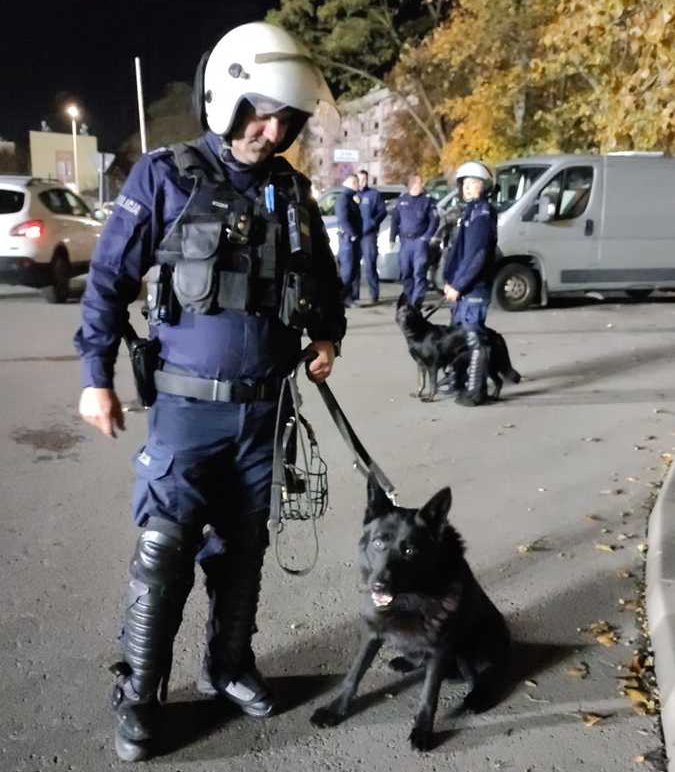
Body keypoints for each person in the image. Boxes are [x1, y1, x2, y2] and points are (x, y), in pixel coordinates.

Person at [73, 21, 346, 762]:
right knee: (164, 551)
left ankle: (227, 665)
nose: (273, 131)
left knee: (243, 550)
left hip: (265, 412)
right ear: (227, 100)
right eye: (263, 113)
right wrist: (95, 377)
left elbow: (322, 280)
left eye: (287, 119)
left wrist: (327, 337)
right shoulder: (165, 176)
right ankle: (140, 693)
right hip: (186, 412)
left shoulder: (291, 191)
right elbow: (107, 283)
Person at [442, 160, 497, 407]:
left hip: (473, 288)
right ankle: (458, 380)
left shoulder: (482, 215)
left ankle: (475, 391)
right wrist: (450, 282)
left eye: (473, 183)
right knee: (460, 337)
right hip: (463, 287)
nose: (467, 187)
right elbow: (460, 253)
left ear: (484, 186)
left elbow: (477, 256)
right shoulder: (470, 212)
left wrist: (459, 285)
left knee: (475, 340)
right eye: (464, 183)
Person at [389, 173, 439, 307]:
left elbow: (434, 220)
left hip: (419, 242)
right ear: (412, 185)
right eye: (419, 183)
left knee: (419, 272)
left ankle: (416, 302)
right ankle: (408, 298)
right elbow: (395, 219)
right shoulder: (402, 200)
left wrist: (426, 237)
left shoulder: (427, 200)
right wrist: (392, 238)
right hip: (405, 241)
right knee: (406, 271)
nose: (422, 185)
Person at [356, 169, 387, 304]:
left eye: (364, 179)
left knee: (370, 265)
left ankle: (374, 294)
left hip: (369, 236)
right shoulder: (352, 194)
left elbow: (382, 211)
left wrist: (374, 222)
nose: (362, 182)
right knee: (354, 267)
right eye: (360, 179)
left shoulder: (374, 194)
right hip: (355, 235)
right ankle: (354, 295)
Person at [335, 173, 362, 306]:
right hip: (348, 240)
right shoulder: (344, 198)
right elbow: (343, 219)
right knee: (348, 270)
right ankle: (343, 298)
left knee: (353, 269)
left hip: (352, 239)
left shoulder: (350, 198)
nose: (358, 185)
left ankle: (350, 297)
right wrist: (352, 234)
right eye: (355, 182)